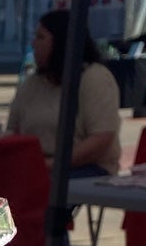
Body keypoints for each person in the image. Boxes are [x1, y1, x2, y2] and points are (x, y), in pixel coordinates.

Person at [8, 9, 122, 175]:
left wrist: (53, 164)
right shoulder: (32, 83)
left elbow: (101, 138)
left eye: (41, 37)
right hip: (36, 164)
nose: (33, 44)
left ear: (61, 42)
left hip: (87, 167)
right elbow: (14, 130)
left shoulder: (94, 78)